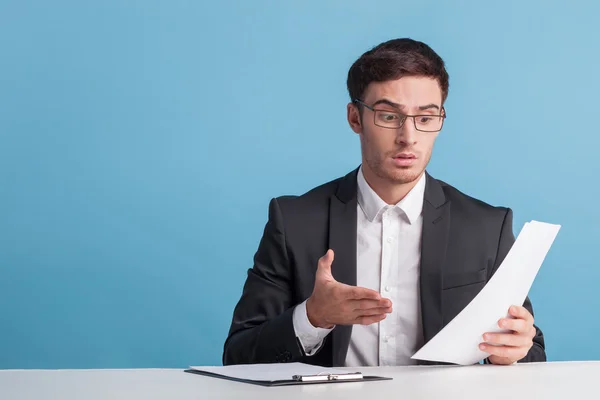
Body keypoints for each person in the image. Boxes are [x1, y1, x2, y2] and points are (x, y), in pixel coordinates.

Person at [222, 38, 545, 367]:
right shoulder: (294, 222)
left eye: (426, 117)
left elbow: (531, 353)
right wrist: (312, 317)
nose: (409, 136)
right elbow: (238, 355)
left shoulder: (486, 226)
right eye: (389, 116)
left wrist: (512, 352)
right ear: (355, 118)